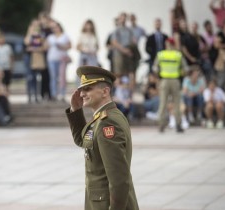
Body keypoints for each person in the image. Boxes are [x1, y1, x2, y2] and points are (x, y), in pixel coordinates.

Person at [66, 66, 139, 210]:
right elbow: (84, 141)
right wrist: (76, 111)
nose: (82, 94)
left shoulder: (107, 123)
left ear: (105, 91)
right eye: (82, 89)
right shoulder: (104, 118)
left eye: (88, 89)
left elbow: (119, 178)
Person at [153, 38, 188, 133]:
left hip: (164, 81)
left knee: (163, 103)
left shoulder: (161, 54)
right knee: (177, 103)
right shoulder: (178, 55)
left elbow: (155, 68)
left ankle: (161, 125)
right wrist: (181, 74)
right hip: (175, 81)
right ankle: (178, 125)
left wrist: (159, 75)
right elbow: (185, 69)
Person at [45, 21, 71, 101]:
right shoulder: (50, 37)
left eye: (56, 27)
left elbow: (69, 46)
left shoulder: (65, 36)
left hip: (62, 59)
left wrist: (61, 46)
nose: (55, 29)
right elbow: (45, 47)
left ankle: (62, 94)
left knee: (62, 77)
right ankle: (54, 94)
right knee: (53, 77)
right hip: (52, 59)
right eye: (53, 28)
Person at [111, 12, 137, 83]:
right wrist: (124, 50)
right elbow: (114, 42)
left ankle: (128, 91)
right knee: (118, 74)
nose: (123, 19)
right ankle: (118, 91)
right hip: (118, 54)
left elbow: (133, 41)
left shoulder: (129, 30)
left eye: (125, 18)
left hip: (128, 54)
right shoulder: (116, 30)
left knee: (129, 73)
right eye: (121, 18)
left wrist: (130, 50)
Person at [24, 18, 46, 103]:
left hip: (38, 59)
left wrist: (33, 49)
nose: (36, 26)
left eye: (37, 25)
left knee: (37, 78)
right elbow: (27, 43)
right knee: (30, 78)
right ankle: (30, 96)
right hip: (29, 59)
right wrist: (30, 32)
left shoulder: (41, 35)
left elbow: (44, 47)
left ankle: (36, 96)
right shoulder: (29, 35)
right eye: (34, 25)